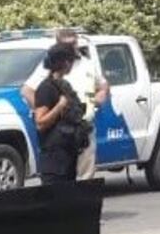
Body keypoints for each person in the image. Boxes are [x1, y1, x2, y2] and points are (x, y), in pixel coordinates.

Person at [22, 29, 109, 181]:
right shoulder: (48, 74)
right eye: (67, 45)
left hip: (83, 127)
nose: (72, 47)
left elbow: (102, 86)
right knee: (61, 179)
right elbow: (28, 91)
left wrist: (97, 98)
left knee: (84, 178)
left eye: (74, 43)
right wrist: (52, 111)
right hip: (61, 133)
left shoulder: (87, 63)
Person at [33, 43, 86, 185]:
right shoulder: (46, 88)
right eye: (71, 61)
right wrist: (59, 106)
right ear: (66, 62)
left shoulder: (64, 85)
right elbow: (40, 123)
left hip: (68, 155)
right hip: (53, 160)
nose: (72, 65)